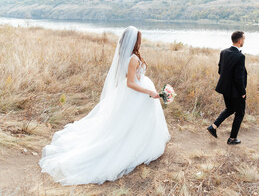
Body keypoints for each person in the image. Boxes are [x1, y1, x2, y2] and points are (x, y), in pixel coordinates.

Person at [39, 26, 170, 185]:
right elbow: (130, 83)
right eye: (139, 39)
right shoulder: (133, 58)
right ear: (135, 41)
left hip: (137, 95)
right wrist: (149, 92)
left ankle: (140, 142)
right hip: (137, 94)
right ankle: (134, 147)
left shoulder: (128, 55)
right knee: (129, 125)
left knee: (132, 123)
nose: (140, 42)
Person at [207, 31, 247, 145]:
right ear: (239, 41)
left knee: (230, 109)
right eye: (244, 39)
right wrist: (242, 92)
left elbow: (220, 70)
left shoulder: (223, 52)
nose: (244, 41)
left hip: (225, 88)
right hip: (236, 91)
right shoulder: (240, 56)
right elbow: (238, 78)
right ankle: (232, 139)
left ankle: (213, 127)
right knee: (240, 113)